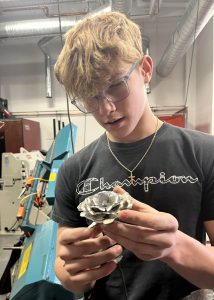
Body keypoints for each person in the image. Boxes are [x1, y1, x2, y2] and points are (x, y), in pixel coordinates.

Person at [52, 11, 214, 300]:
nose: (106, 109)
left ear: (145, 69)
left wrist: (173, 247)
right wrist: (73, 272)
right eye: (90, 96)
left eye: (115, 86)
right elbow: (67, 274)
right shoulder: (74, 169)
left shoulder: (204, 153)